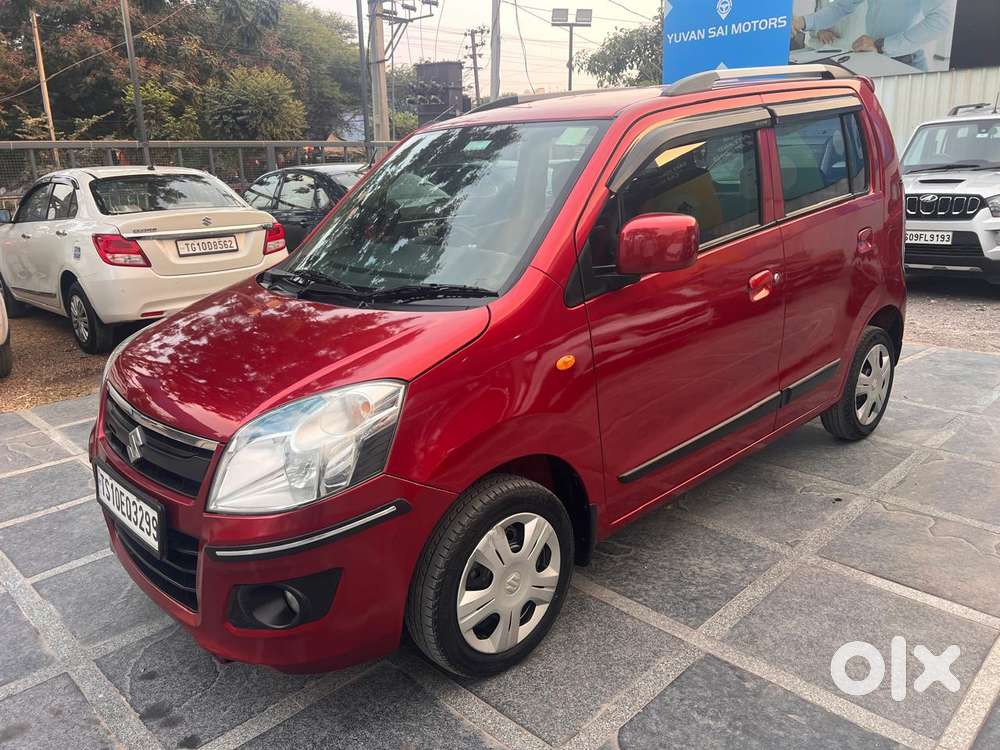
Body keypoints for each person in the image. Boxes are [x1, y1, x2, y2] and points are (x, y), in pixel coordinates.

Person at [792, 0, 955, 71]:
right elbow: (841, 7)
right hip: (875, 58)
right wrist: (803, 22)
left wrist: (882, 45)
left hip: (906, 62)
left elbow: (941, 20)